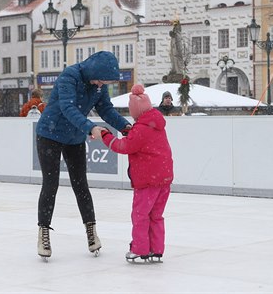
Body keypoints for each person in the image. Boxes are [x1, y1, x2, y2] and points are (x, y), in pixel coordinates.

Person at [35, 51, 132, 260]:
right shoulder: (69, 76)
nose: (100, 85)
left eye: (103, 83)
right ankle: (43, 231)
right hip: (49, 135)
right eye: (99, 81)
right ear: (93, 72)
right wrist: (90, 128)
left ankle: (91, 231)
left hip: (74, 138)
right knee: (50, 184)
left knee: (81, 185)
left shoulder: (99, 86)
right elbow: (67, 107)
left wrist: (125, 126)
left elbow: (105, 109)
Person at [100, 84, 174, 263]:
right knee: (156, 215)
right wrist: (132, 131)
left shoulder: (141, 129)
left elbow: (123, 146)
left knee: (140, 215)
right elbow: (140, 139)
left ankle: (140, 249)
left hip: (147, 181)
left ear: (136, 111)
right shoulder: (156, 124)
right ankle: (156, 249)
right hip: (164, 179)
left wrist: (105, 136)